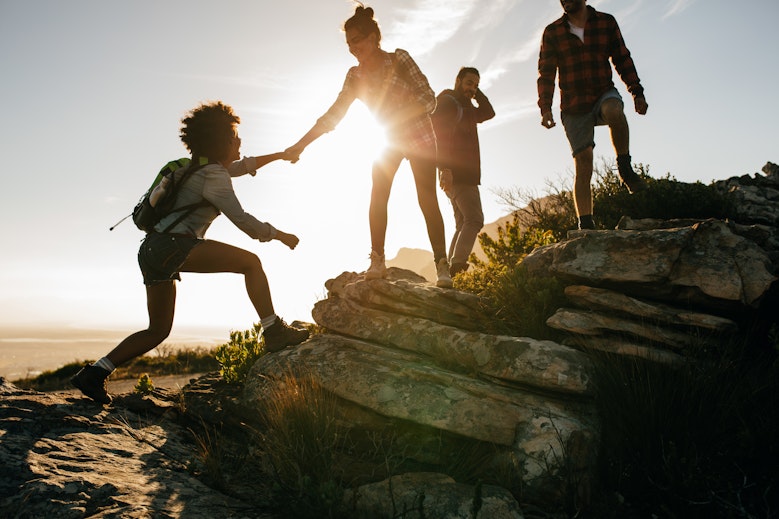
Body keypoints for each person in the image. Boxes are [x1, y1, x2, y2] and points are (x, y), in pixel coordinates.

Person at [71, 101, 309, 404]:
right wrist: (279, 235)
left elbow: (240, 167)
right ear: (222, 142)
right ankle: (273, 330)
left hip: (152, 250)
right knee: (251, 262)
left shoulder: (192, 167)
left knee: (157, 330)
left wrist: (279, 155)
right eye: (235, 138)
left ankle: (94, 373)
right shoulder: (214, 175)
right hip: (174, 246)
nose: (240, 143)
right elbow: (243, 220)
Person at [285, 3, 452, 288]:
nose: (352, 47)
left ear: (374, 38)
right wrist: (301, 145)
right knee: (378, 194)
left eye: (357, 40)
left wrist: (401, 115)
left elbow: (428, 97)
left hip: (419, 137)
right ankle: (377, 260)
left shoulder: (399, 59)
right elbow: (333, 115)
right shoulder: (355, 76)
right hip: (387, 139)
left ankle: (442, 265)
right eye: (349, 43)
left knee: (426, 199)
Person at [537, 0, 648, 230]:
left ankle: (624, 168)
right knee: (583, 161)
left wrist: (636, 91)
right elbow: (546, 73)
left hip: (602, 92)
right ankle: (586, 224)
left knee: (614, 110)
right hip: (573, 105)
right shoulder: (553, 32)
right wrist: (545, 107)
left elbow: (622, 58)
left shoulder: (606, 22)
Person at [431, 67, 495, 276]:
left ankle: (450, 270)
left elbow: (489, 113)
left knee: (462, 223)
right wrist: (445, 169)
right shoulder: (449, 102)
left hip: (459, 173)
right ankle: (457, 266)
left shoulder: (466, 107)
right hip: (458, 172)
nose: (472, 88)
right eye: (469, 83)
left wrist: (477, 93)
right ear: (458, 81)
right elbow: (440, 135)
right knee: (475, 219)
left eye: (476, 85)